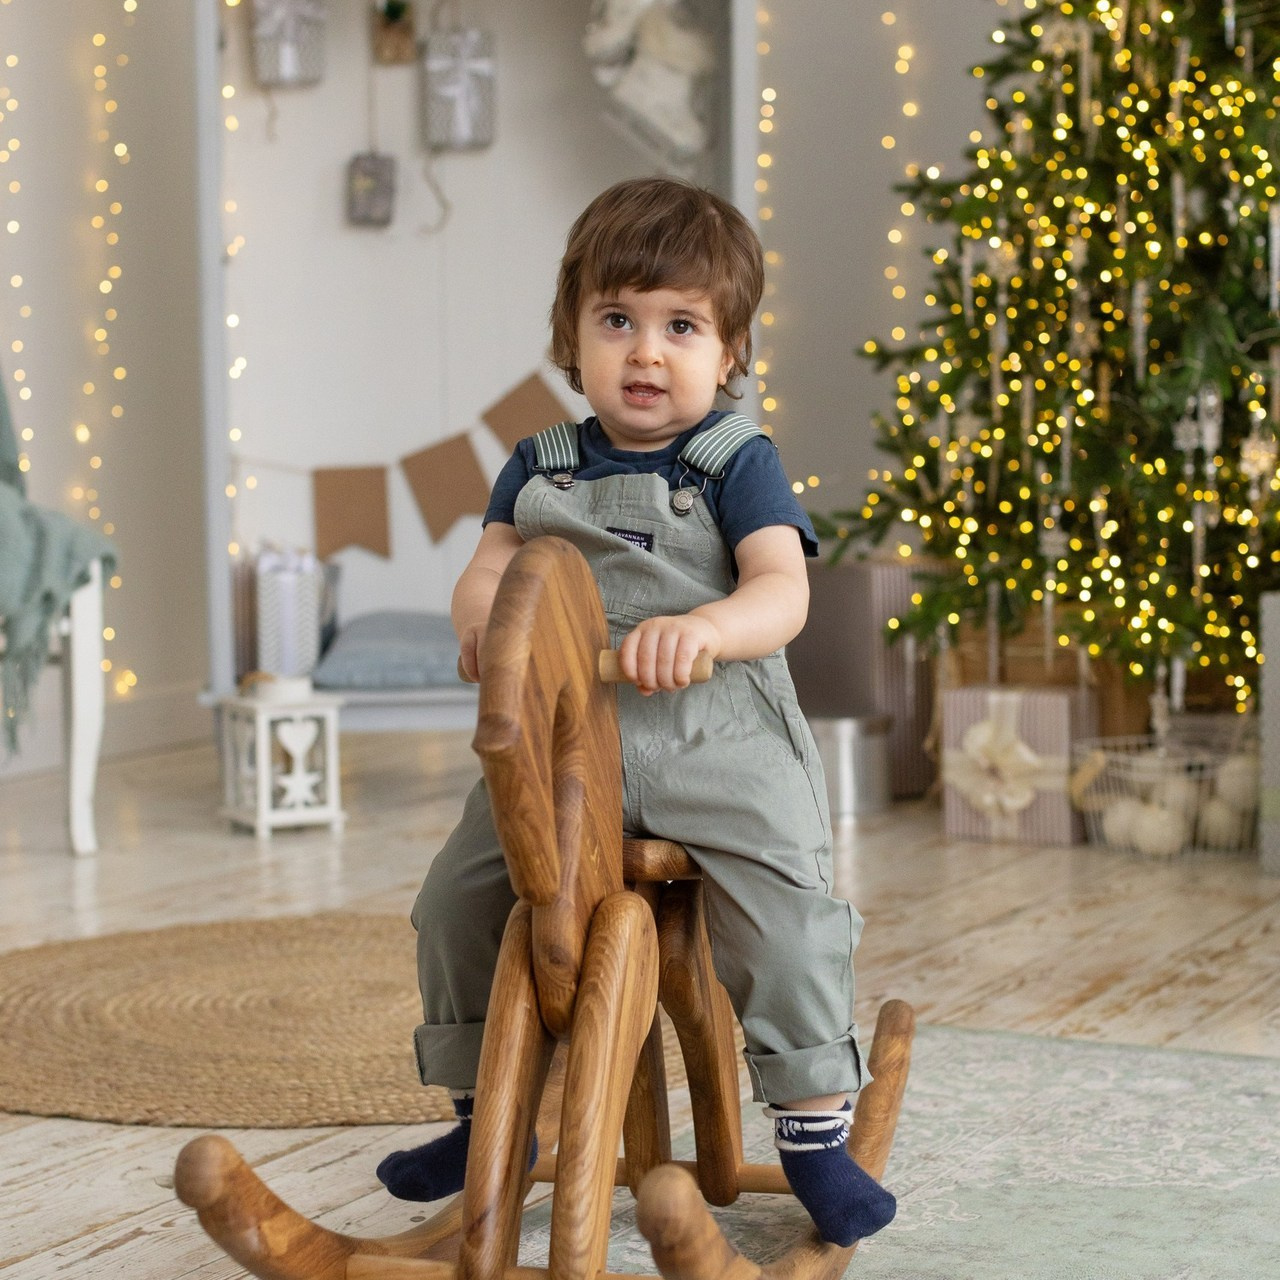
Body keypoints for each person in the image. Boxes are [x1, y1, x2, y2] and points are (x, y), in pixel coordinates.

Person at [376, 176, 895, 1247]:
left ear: (729, 349)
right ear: (572, 334)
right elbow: (488, 567)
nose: (645, 352)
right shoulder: (539, 463)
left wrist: (705, 626)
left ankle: (808, 1124)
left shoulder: (733, 464)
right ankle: (489, 1115)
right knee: (452, 903)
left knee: (785, 907)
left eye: (680, 326)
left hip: (717, 739)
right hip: (569, 750)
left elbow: (780, 590)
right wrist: (480, 621)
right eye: (617, 321)